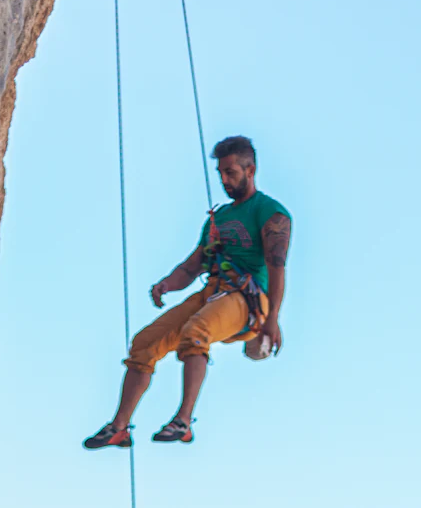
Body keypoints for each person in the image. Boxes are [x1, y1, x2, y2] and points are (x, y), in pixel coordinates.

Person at [84, 135, 292, 448]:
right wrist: (167, 283)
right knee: (144, 343)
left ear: (251, 171)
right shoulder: (218, 218)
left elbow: (277, 267)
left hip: (249, 301)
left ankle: (183, 420)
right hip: (213, 292)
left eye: (231, 173)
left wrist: (272, 318)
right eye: (220, 173)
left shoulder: (270, 212)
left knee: (197, 330)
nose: (224, 180)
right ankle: (119, 427)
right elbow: (194, 265)